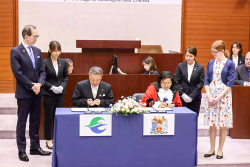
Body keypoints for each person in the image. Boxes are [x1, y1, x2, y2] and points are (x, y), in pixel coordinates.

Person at [10, 25, 51, 162]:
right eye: (35, 36)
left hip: (37, 92)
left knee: (35, 120)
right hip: (24, 93)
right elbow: (18, 73)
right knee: (22, 121)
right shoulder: (15, 51)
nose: (36, 39)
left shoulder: (37, 51)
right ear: (26, 37)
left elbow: (42, 71)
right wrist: (31, 86)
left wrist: (39, 84)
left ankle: (35, 147)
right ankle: (21, 150)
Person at [204, 40, 235, 159]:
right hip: (211, 94)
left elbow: (230, 83)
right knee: (212, 124)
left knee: (222, 124)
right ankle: (211, 148)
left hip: (223, 96)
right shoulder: (210, 63)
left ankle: (220, 149)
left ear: (222, 51)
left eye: (215, 52)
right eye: (212, 51)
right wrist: (209, 96)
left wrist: (218, 97)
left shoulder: (230, 64)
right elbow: (207, 80)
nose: (213, 54)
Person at [43, 41, 69, 149]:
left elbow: (66, 77)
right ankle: (48, 139)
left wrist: (62, 86)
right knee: (48, 117)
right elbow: (42, 78)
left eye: (59, 50)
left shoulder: (63, 62)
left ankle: (57, 138)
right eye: (54, 51)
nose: (57, 53)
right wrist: (52, 87)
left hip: (59, 94)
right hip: (49, 94)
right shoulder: (44, 63)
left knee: (58, 117)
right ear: (49, 50)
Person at [175, 46, 205, 116]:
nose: (188, 58)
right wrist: (183, 94)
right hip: (182, 97)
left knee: (193, 119)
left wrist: (191, 96)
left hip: (195, 98)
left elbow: (201, 83)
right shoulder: (180, 66)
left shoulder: (200, 67)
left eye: (190, 56)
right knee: (182, 118)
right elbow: (177, 81)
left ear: (195, 56)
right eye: (187, 56)